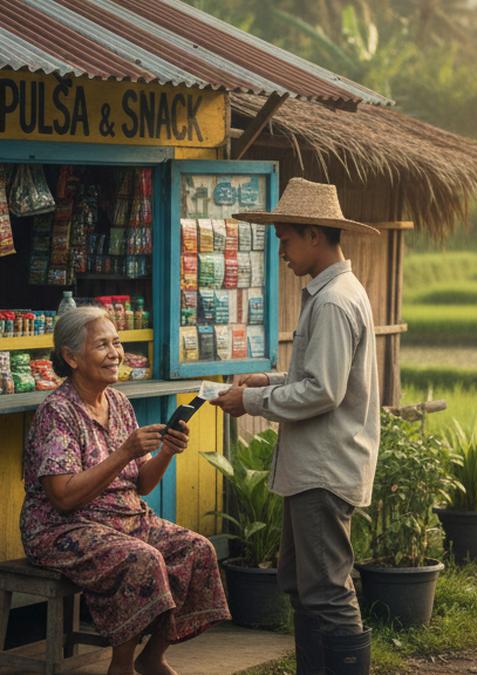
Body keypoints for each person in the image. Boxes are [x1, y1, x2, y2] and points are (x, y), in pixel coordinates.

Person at [213, 178, 381, 675]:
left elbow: (323, 392)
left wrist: (252, 399)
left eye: (285, 239)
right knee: (302, 585)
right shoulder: (335, 293)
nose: (281, 250)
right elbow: (322, 377)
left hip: (323, 469)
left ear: (314, 235)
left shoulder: (331, 301)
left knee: (326, 590)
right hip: (315, 466)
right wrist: (269, 379)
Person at [21, 306, 231, 675]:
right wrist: (124, 452)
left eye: (116, 342)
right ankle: (120, 667)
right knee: (141, 559)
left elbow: (143, 483)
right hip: (61, 529)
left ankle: (152, 657)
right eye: (102, 345)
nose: (115, 353)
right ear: (71, 357)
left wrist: (167, 449)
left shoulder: (118, 402)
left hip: (124, 518)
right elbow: (63, 498)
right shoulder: (57, 412)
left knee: (196, 550)